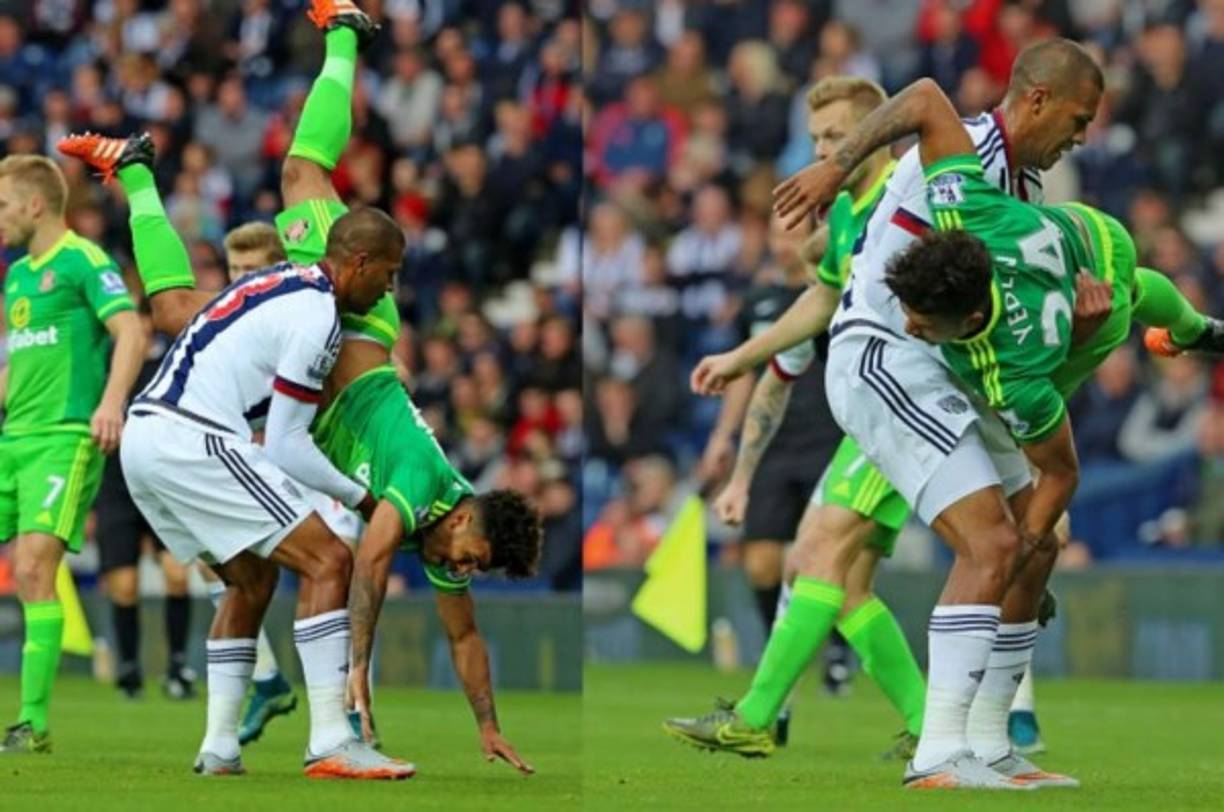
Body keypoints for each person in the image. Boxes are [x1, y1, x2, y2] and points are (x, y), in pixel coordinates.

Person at [59, 0, 543, 777]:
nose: (463, 569)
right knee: (298, 174)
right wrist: (358, 673)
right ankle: (346, 34)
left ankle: (137, 171)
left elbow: (464, 633)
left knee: (175, 311)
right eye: (473, 557)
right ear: (466, 517)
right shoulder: (418, 483)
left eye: (471, 567)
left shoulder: (445, 536)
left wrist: (487, 724)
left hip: (257, 397)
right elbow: (369, 563)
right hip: (350, 337)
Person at [761, 67, 1220, 789]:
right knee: (994, 543)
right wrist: (836, 165)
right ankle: (937, 754)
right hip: (887, 356)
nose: (1082, 137)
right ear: (1037, 100)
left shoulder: (1018, 196)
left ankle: (989, 743)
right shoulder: (972, 153)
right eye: (1078, 119)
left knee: (1038, 548)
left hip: (956, 364)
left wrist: (1114, 331)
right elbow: (922, 97)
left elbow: (1112, 297)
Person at [691, 76, 918, 753]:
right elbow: (820, 301)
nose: (823, 150)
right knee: (846, 586)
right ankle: (930, 724)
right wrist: (740, 356)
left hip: (903, 403)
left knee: (814, 556)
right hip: (878, 412)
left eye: (837, 136)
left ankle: (755, 718)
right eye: (817, 138)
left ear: (875, 133)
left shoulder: (908, 196)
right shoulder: (847, 212)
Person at [0, 155, 146, 754]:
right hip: (12, 439)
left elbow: (131, 330)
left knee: (35, 566)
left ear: (36, 205)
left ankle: (31, 723)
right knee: (28, 569)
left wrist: (111, 403)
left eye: (3, 205)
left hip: (63, 438)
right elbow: (18, 364)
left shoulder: (84, 260)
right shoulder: (16, 277)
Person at [94, 309, 197, 701]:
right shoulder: (105, 359)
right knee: (124, 585)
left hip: (162, 480)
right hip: (116, 483)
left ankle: (177, 666)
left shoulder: (172, 359)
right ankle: (129, 669)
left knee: (176, 574)